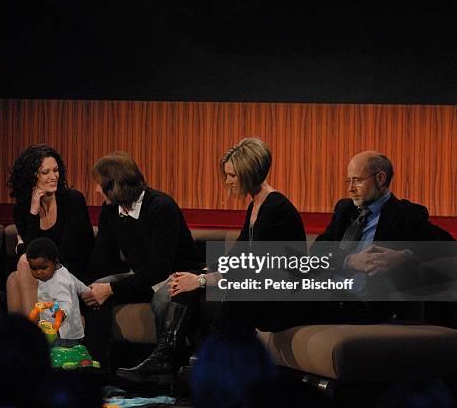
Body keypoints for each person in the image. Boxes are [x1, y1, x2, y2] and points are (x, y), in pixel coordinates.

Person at [117, 137, 307, 383]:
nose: (227, 182)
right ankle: (169, 359)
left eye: (232, 176)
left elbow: (253, 267)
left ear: (249, 173)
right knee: (189, 285)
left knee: (208, 291)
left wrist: (203, 280)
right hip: (256, 290)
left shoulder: (276, 208)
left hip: (281, 298)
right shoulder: (256, 206)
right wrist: (199, 274)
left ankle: (195, 363)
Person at [81, 151, 204, 372]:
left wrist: (111, 289)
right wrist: (87, 289)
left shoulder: (161, 207)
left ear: (115, 185)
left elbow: (160, 268)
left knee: (161, 300)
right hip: (145, 277)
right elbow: (101, 258)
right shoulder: (111, 209)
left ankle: (164, 370)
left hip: (178, 276)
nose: (97, 189)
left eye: (100, 184)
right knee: (96, 290)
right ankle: (99, 371)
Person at [310, 150, 454, 321]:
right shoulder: (344, 209)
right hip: (328, 296)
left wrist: (404, 255)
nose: (350, 189)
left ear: (380, 179)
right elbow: (317, 249)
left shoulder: (406, 214)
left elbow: (447, 245)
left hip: (364, 307)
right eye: (348, 181)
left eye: (358, 181)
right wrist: (350, 260)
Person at [6, 145, 94, 315]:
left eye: (55, 170)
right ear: (30, 177)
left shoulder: (72, 200)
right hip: (43, 272)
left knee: (23, 265)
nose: (54, 177)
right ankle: (32, 336)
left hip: (73, 271)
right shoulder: (22, 209)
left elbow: (65, 252)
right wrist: (33, 210)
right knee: (13, 279)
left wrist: (23, 248)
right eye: (45, 172)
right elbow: (33, 255)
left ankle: (35, 334)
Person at [26, 237, 89, 347]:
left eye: (43, 267)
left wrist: (62, 312)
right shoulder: (61, 271)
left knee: (57, 360)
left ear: (55, 262)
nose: (39, 272)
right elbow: (75, 282)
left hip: (63, 334)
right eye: (33, 268)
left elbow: (65, 303)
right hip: (57, 330)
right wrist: (87, 291)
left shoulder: (58, 283)